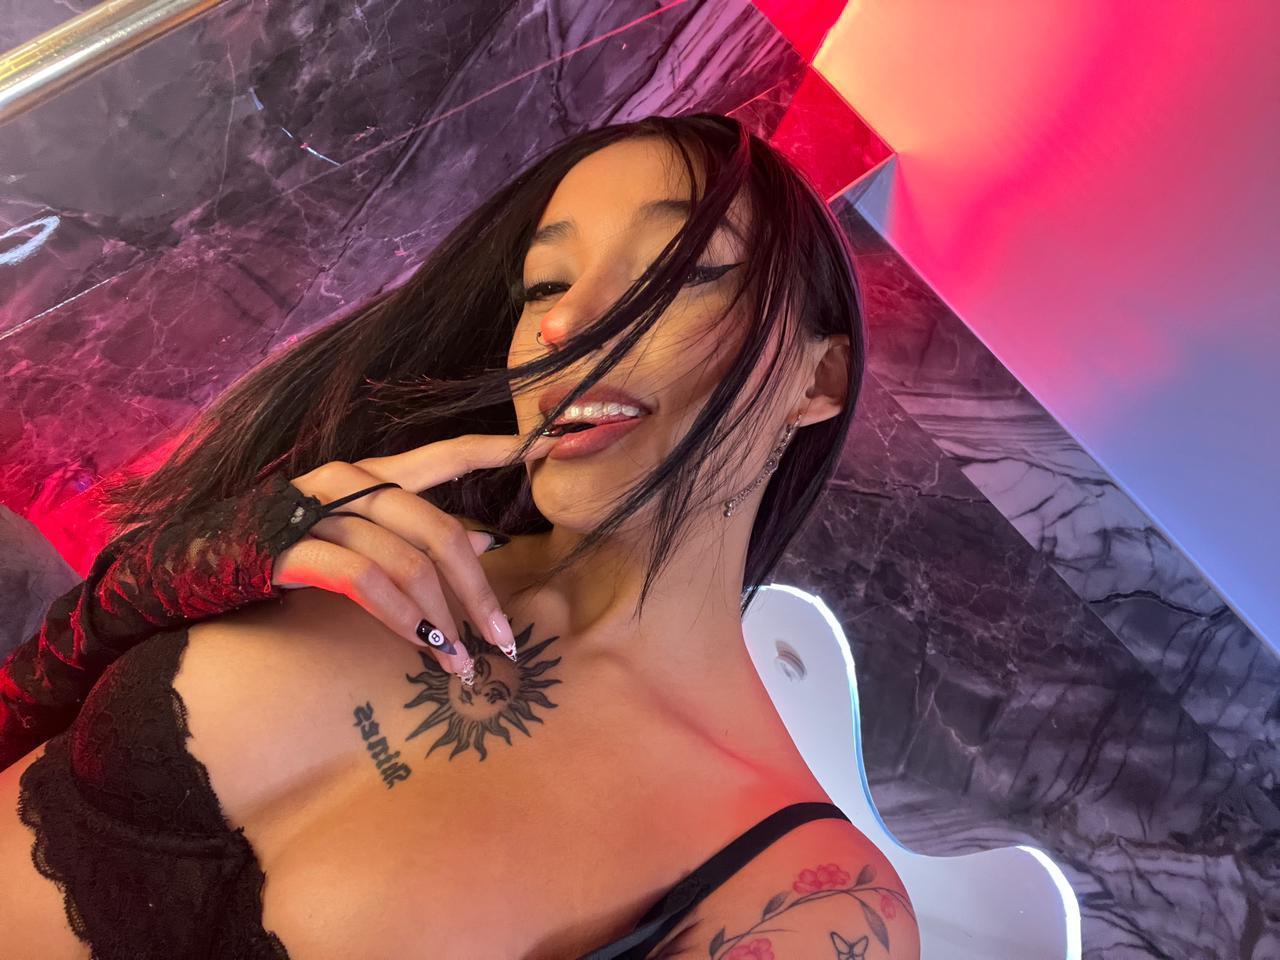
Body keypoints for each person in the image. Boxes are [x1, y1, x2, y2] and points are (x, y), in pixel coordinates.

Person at [0, 113, 919, 959]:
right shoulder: (355, 537)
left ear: (818, 379)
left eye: (674, 272)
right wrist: (172, 577)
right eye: (546, 283)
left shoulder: (808, 897)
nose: (561, 322)